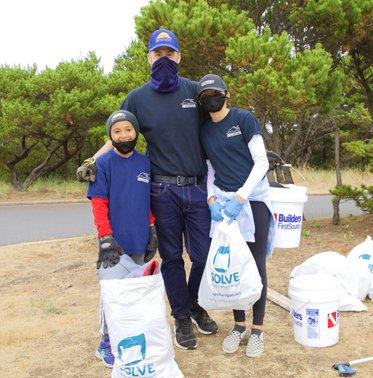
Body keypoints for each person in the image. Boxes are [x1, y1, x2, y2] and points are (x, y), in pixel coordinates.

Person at [77, 28, 218, 350]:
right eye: (158, 54)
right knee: (171, 258)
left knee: (202, 255)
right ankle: (181, 317)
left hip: (196, 189)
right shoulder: (137, 98)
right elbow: (118, 131)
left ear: (179, 56)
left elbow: (221, 123)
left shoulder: (195, 92)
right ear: (149, 57)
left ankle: (195, 304)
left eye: (170, 54)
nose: (164, 59)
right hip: (161, 190)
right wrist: (93, 160)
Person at [197, 74, 274, 357]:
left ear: (227, 94)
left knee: (255, 263)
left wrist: (241, 197)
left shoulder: (243, 119)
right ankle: (239, 325)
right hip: (224, 205)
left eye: (215, 93)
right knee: (232, 265)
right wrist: (211, 199)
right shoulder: (204, 131)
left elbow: (261, 162)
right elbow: (211, 171)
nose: (211, 99)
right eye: (205, 96)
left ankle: (258, 330)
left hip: (252, 201)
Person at [87, 110, 153, 367]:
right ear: (110, 136)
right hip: (113, 243)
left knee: (133, 292)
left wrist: (152, 229)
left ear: (136, 132)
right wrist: (105, 237)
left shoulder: (144, 163)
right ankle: (105, 342)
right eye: (117, 131)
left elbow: (146, 201)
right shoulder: (103, 164)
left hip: (139, 239)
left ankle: (126, 335)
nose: (123, 134)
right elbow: (99, 203)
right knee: (112, 293)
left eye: (128, 129)